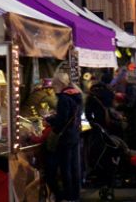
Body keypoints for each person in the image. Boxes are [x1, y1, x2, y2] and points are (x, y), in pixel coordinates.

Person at [45, 71, 83, 202]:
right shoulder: (77, 95)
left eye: (54, 83)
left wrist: (50, 120)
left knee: (65, 168)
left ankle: (67, 196)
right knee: (75, 167)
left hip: (65, 137)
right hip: (75, 135)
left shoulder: (63, 98)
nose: (53, 86)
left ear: (60, 83)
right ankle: (75, 196)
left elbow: (62, 120)